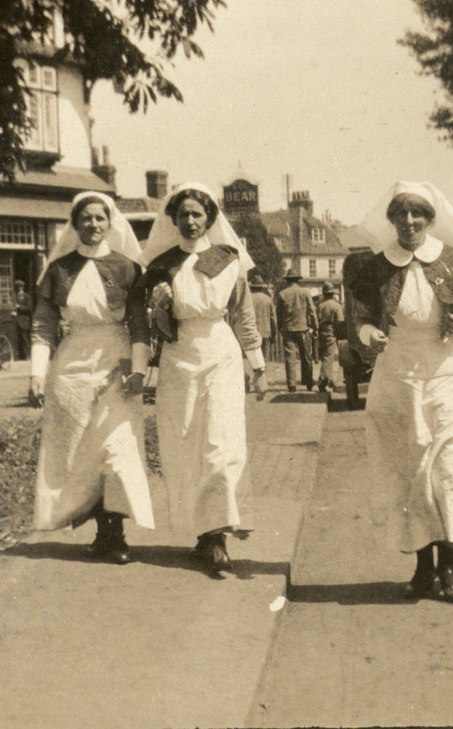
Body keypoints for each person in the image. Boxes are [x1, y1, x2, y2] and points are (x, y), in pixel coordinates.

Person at [348, 180, 453, 604]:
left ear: (431, 219)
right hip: (398, 376)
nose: (410, 222)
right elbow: (359, 318)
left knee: (450, 467)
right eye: (401, 214)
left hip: (447, 374)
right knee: (410, 471)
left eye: (418, 214)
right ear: (392, 220)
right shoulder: (376, 268)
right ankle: (422, 569)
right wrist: (369, 334)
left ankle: (449, 566)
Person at [133, 182, 269, 573]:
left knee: (220, 444)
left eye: (198, 214)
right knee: (185, 445)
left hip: (221, 355)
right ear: (172, 220)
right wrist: (158, 309)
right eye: (184, 215)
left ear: (210, 218)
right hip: (179, 360)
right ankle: (202, 534)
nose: (191, 221)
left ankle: (219, 536)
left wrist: (257, 366)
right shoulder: (162, 265)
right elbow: (152, 325)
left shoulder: (228, 258)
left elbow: (243, 315)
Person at [28, 191, 154, 565]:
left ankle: (116, 534)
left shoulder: (128, 268)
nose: (93, 225)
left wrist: (138, 367)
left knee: (116, 450)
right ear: (75, 223)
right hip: (72, 366)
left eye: (100, 219)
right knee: (80, 454)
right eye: (86, 219)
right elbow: (42, 325)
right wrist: (37, 372)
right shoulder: (59, 270)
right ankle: (102, 533)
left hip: (116, 361)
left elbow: (139, 324)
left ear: (110, 223)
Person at [277, 268, 318, 392]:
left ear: (287, 280)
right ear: (297, 280)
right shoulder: (305, 292)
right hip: (303, 329)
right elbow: (312, 311)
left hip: (288, 329)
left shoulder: (282, 294)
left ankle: (292, 385)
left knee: (290, 357)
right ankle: (308, 383)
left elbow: (278, 313)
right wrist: (315, 327)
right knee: (306, 356)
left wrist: (280, 327)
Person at [316, 281, 344, 392]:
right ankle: (322, 381)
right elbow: (340, 321)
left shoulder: (319, 305)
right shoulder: (336, 305)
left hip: (321, 331)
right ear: (332, 294)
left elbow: (315, 319)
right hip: (332, 331)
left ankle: (329, 379)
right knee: (329, 357)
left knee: (325, 356)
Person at [250, 271, 278, 362]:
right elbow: (273, 319)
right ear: (262, 287)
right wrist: (274, 334)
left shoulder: (248, 299)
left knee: (252, 359)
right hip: (265, 332)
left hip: (251, 332)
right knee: (264, 359)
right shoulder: (268, 300)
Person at [13, 280, 32, 360]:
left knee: (25, 339)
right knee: (17, 339)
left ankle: (28, 356)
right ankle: (19, 356)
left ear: (23, 287)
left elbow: (29, 308)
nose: (19, 289)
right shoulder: (13, 296)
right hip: (15, 320)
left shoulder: (26, 296)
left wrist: (19, 307)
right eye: (17, 287)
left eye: (20, 287)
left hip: (23, 319)